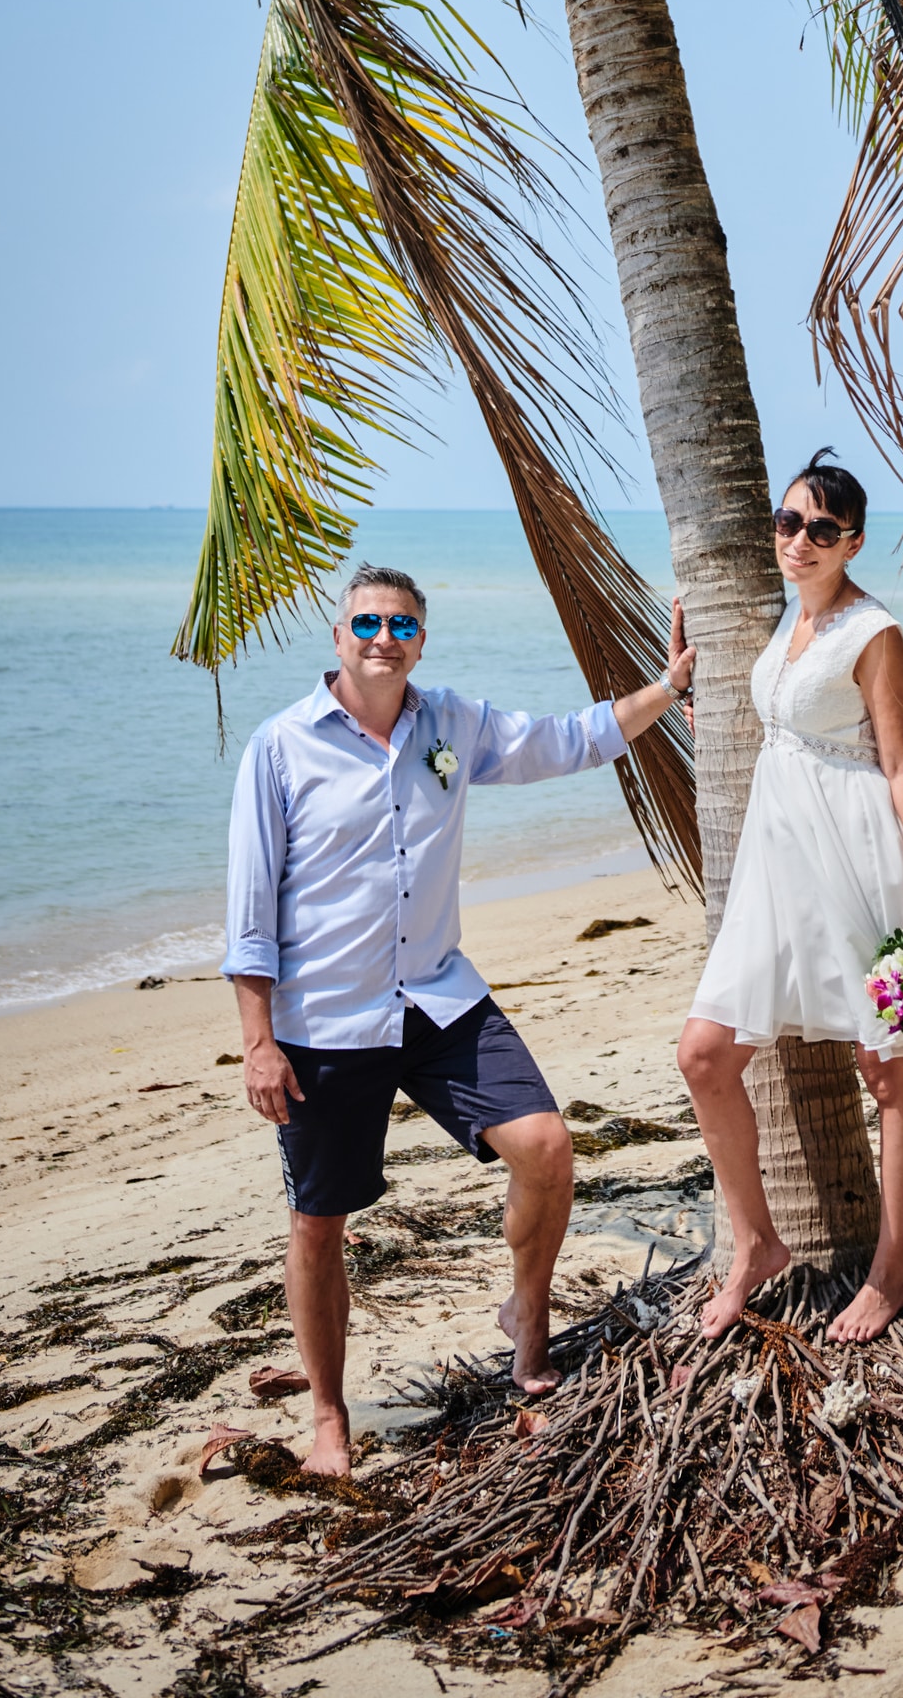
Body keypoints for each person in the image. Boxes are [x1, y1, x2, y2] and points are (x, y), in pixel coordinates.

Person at [223, 561, 695, 1474]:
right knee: (320, 1223)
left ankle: (527, 1315)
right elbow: (249, 913)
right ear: (337, 637)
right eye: (366, 624)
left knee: (547, 1147)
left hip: (436, 996)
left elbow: (568, 740)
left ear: (421, 640)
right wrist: (257, 1042)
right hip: (323, 1023)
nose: (382, 641)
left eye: (401, 627)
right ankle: (328, 1414)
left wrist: (667, 689)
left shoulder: (452, 724)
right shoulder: (279, 749)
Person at [677, 451, 903, 1346]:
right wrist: (694, 694)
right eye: (788, 524)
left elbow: (901, 764)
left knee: (887, 1069)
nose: (799, 541)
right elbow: (785, 729)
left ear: (852, 540)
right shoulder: (789, 625)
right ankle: (755, 1245)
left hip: (861, 860)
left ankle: (889, 1272)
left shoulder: (874, 631)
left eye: (821, 529)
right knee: (704, 1056)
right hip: (776, 870)